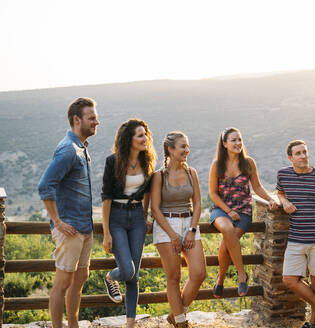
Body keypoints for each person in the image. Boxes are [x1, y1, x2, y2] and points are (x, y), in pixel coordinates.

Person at [37, 97, 100, 328]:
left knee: (80, 277)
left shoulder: (81, 148)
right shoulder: (68, 150)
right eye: (91, 118)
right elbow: (45, 186)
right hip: (70, 228)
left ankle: (72, 323)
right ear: (77, 119)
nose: (97, 121)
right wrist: (57, 221)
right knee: (63, 282)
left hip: (84, 227)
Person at [276, 140, 315, 328]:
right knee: (289, 280)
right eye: (298, 153)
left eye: (305, 152)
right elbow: (279, 192)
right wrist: (283, 201)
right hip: (296, 237)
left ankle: (313, 323)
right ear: (290, 158)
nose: (303, 155)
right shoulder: (283, 174)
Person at [209, 127, 277, 298]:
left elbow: (257, 187)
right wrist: (228, 211)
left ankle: (220, 280)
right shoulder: (217, 165)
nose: (238, 143)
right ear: (224, 144)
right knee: (227, 230)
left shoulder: (248, 163)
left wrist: (270, 199)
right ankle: (241, 274)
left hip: (244, 212)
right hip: (221, 210)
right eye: (233, 140)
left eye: (239, 139)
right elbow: (213, 193)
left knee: (225, 246)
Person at [101, 119, 157, 328]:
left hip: (137, 220)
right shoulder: (112, 161)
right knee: (127, 270)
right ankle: (109, 276)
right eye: (140, 135)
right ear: (129, 139)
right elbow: (106, 198)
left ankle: (130, 324)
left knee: (134, 276)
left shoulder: (147, 161)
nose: (145, 139)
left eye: (145, 135)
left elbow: (148, 191)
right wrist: (106, 233)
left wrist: (145, 215)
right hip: (116, 217)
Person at [150, 131, 206, 328]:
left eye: (187, 146)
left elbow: (197, 203)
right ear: (170, 149)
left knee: (199, 274)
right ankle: (181, 322)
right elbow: (155, 209)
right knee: (174, 277)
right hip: (166, 225)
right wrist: (173, 235)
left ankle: (176, 314)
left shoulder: (192, 173)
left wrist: (192, 229)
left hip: (189, 223)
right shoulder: (159, 176)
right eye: (183, 147)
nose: (187, 150)